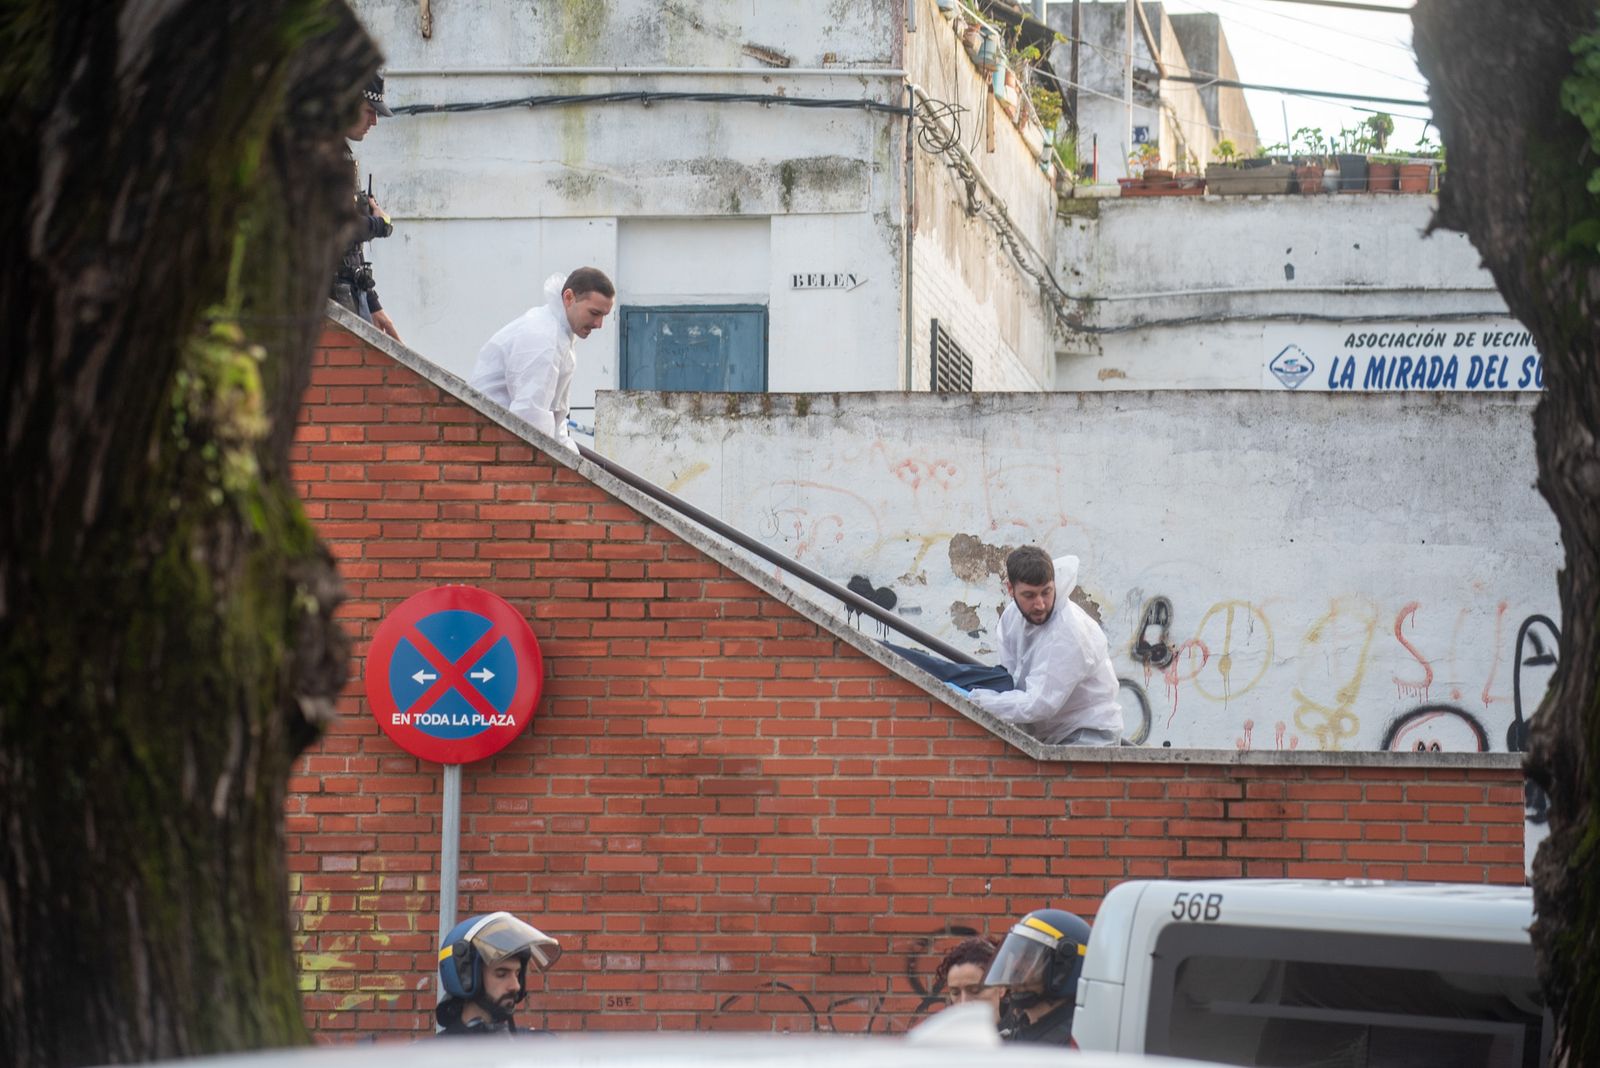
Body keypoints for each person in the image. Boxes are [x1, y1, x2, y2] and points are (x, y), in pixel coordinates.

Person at [962, 547, 1123, 746]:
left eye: (1046, 592)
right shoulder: (1011, 619)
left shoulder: (1069, 630)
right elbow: (1012, 680)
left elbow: (1040, 703)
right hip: (1045, 736)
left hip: (1089, 736)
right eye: (1029, 595)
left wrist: (977, 701)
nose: (1040, 604)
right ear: (1010, 589)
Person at [470, 267, 615, 454]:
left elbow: (554, 420)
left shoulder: (557, 333)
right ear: (569, 298)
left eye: (603, 316)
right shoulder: (543, 337)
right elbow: (530, 420)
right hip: (485, 446)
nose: (599, 324)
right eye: (594, 313)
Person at [332, 73, 401, 341]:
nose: (374, 121)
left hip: (348, 291)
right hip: (331, 298)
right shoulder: (324, 157)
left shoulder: (340, 153)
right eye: (369, 111)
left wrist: (372, 302)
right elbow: (340, 229)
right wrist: (380, 225)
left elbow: (348, 249)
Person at [435, 911, 562, 1037]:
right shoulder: (434, 1054)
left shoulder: (537, 1047)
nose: (516, 986)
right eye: (501, 974)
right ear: (465, 977)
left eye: (517, 974)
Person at [988, 907, 1091, 1045]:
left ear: (1062, 968)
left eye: (1029, 956)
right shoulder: (1019, 1032)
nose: (1015, 966)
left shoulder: (1075, 1045)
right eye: (1016, 955)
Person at [934, 935, 1005, 1026]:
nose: (964, 1003)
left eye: (975, 990)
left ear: (1001, 987)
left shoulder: (1023, 1037)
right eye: (955, 993)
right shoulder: (939, 1038)